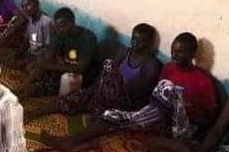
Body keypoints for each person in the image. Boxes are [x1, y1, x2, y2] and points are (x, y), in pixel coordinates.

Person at [44, 32, 217, 152]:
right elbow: (155, 96)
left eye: (180, 52)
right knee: (114, 116)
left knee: (168, 88)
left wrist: (187, 107)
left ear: (192, 54)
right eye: (173, 50)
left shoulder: (202, 80)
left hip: (182, 126)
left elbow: (210, 117)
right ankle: (70, 141)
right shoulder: (169, 68)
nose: (174, 55)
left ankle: (140, 117)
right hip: (160, 118)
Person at [29, 23, 160, 123]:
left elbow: (135, 91)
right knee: (73, 97)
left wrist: (110, 87)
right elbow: (106, 74)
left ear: (149, 43)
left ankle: (98, 110)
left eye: (141, 41)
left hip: (125, 100)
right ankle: (33, 112)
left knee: (108, 68)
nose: (135, 43)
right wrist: (99, 88)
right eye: (134, 39)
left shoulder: (151, 64)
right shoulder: (125, 52)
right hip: (107, 91)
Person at [20, 7, 99, 98]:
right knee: (35, 69)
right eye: (57, 27)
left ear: (73, 23)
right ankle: (26, 88)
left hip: (83, 76)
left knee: (53, 85)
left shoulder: (88, 38)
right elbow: (47, 59)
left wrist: (48, 66)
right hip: (65, 68)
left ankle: (36, 90)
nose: (59, 30)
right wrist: (26, 83)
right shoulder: (59, 34)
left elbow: (80, 68)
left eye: (63, 26)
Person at [3, 0, 54, 67]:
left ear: (37, 4)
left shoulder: (46, 22)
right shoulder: (29, 19)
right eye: (23, 6)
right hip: (29, 53)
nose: (25, 9)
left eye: (28, 5)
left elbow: (49, 49)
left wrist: (27, 61)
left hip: (39, 58)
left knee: (28, 67)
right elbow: (26, 41)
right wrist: (18, 53)